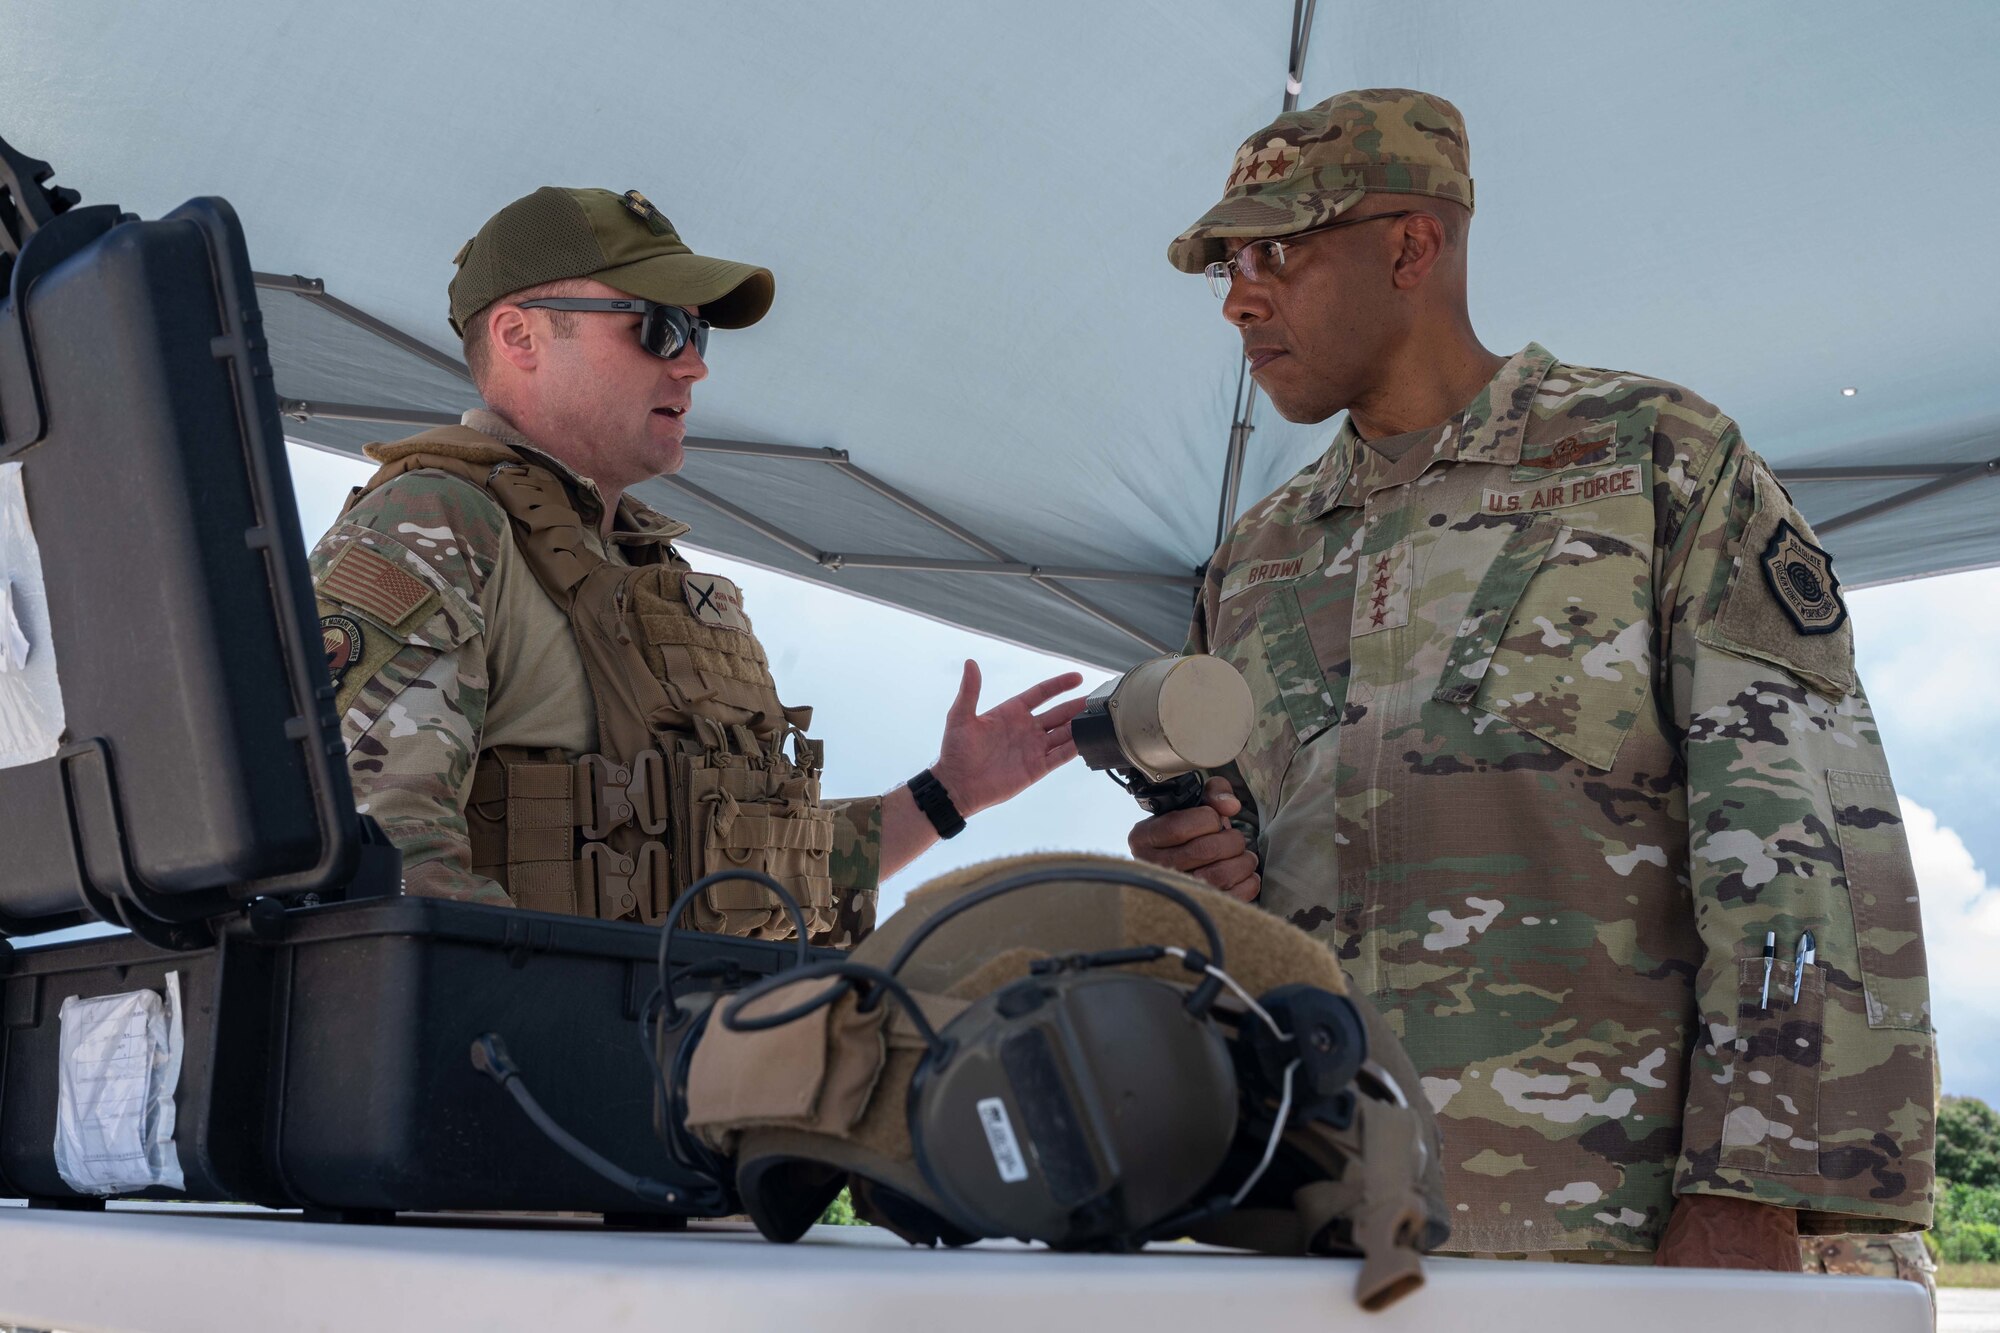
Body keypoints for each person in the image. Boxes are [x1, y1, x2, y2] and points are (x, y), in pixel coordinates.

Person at [1127, 89, 1935, 1275]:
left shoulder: (1650, 459)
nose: (1242, 294)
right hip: (1331, 1239)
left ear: (1412, 246)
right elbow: (1266, 896)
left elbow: (1801, 840)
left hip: (1613, 1243)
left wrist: (1754, 1190)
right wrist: (1214, 876)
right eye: (1228, 265)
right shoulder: (1259, 554)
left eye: (1279, 252)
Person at [311, 185, 1083, 944]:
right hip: (537, 1061)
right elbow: (378, 855)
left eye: (696, 334)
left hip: (690, 1053)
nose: (692, 366)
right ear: (520, 338)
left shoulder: (643, 566)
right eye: (656, 326)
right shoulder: (434, 526)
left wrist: (949, 793)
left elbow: (757, 875)